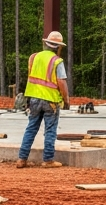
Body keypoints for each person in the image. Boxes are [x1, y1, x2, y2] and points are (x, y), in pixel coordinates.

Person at [16, 31, 70, 169]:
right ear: (58, 47)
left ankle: (22, 159)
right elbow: (61, 83)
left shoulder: (34, 57)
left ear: (46, 43)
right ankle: (48, 160)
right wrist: (66, 100)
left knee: (31, 128)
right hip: (50, 100)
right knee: (50, 130)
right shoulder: (57, 61)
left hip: (33, 99)